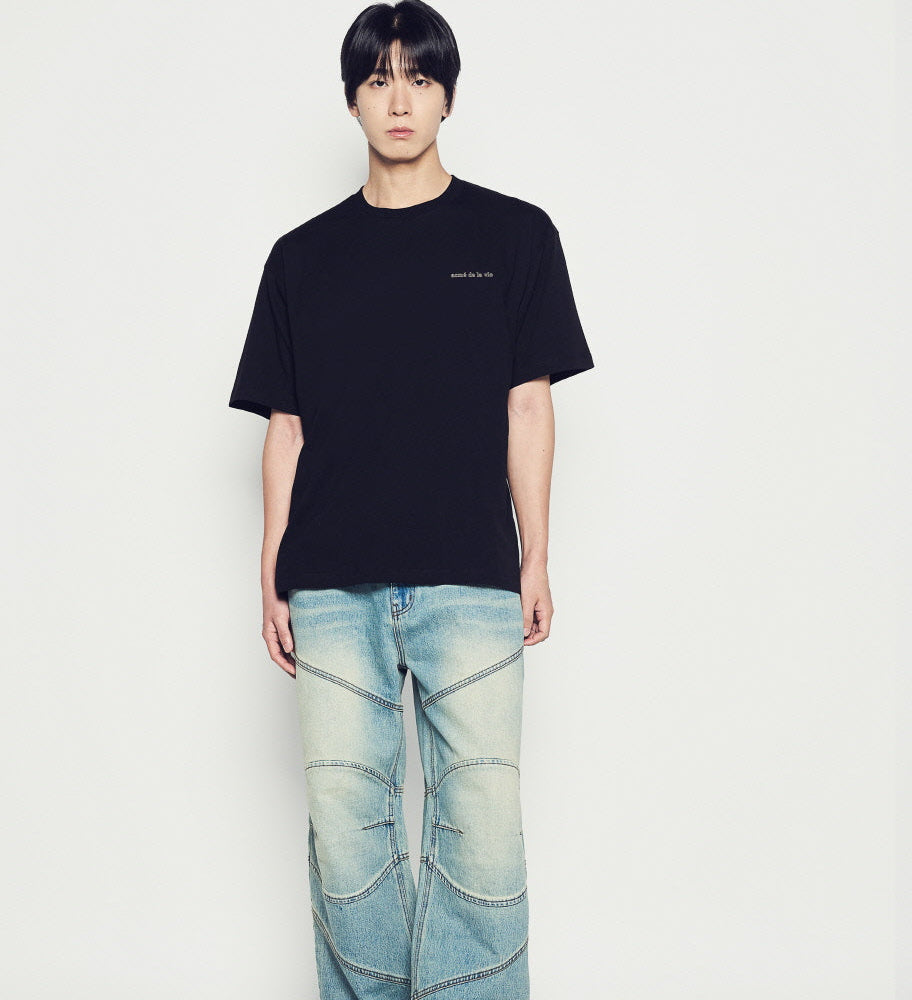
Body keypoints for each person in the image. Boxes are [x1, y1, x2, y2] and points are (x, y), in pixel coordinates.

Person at [228, 2, 594, 996]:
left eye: (420, 78)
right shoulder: (301, 257)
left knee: (483, 831)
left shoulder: (515, 236)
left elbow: (529, 404)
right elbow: (285, 427)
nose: (400, 99)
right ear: (351, 99)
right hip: (330, 586)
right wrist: (270, 570)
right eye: (379, 78)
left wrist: (535, 556)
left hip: (470, 578)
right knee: (348, 840)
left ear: (447, 97)